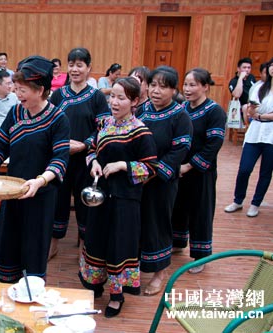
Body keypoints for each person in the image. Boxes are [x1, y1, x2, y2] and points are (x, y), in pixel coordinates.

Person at [0, 55, 70, 282]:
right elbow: (0, 145)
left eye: (23, 90)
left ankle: (31, 294)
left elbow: (59, 159)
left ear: (41, 90)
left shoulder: (58, 118)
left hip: (41, 196)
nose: (18, 94)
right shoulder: (16, 112)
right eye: (16, 88)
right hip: (12, 192)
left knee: (34, 251)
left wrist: (39, 181)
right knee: (8, 247)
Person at [79, 77, 158, 317]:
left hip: (124, 201)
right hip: (101, 196)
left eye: (121, 98)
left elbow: (151, 168)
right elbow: (91, 145)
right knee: (96, 241)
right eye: (112, 96)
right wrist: (92, 161)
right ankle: (94, 287)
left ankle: (116, 295)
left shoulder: (141, 132)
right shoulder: (104, 123)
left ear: (134, 101)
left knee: (118, 246)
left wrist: (123, 165)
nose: (114, 102)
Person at [49, 47, 110, 260]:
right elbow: (50, 124)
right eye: (71, 65)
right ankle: (53, 243)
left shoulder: (97, 97)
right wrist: (61, 144)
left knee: (86, 204)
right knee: (58, 201)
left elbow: (103, 128)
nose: (75, 69)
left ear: (88, 68)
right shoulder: (58, 95)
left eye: (80, 65)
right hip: (61, 159)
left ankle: (85, 247)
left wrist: (84, 145)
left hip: (87, 159)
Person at [137, 66, 193, 295]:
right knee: (138, 224)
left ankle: (160, 273)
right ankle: (137, 268)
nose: (156, 90)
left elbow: (179, 150)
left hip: (160, 182)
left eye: (163, 86)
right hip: (137, 179)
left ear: (173, 90)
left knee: (157, 224)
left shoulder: (180, 117)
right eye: (153, 85)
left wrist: (151, 172)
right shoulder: (142, 111)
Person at [171, 68, 226, 273]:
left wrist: (190, 165)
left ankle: (200, 255)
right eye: (185, 84)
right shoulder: (182, 107)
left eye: (193, 84)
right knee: (178, 207)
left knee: (200, 212)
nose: (187, 89)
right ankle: (177, 243)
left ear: (205, 87)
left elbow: (214, 143)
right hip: (180, 168)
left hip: (201, 171)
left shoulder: (214, 111)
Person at [224, 58, 273, 218]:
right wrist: (259, 114)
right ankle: (238, 200)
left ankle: (255, 203)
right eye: (271, 66)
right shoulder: (258, 87)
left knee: (266, 172)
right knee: (245, 169)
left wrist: (260, 114)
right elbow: (251, 110)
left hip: (271, 135)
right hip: (255, 131)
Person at [228, 57, 256, 126]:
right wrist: (240, 78)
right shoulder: (233, 81)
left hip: (253, 105)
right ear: (238, 69)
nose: (247, 70)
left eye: (249, 68)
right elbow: (237, 95)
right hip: (240, 108)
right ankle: (248, 127)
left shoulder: (251, 78)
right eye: (244, 67)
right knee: (245, 107)